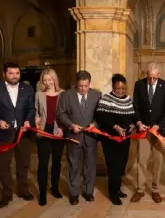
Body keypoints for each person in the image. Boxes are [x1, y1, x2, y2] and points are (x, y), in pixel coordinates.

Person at [0, 62, 36, 208]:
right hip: (3, 134)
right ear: (4, 74)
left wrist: (28, 121)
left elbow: (31, 108)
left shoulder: (28, 88)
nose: (14, 76)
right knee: (4, 165)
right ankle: (7, 194)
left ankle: (23, 190)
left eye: (17, 73)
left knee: (23, 164)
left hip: (23, 134)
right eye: (11, 73)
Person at [56, 70, 101, 205]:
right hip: (73, 135)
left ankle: (88, 192)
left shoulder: (97, 95)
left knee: (90, 165)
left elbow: (101, 114)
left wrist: (94, 124)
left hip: (90, 136)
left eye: (86, 86)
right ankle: (74, 193)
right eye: (81, 86)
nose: (83, 89)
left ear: (89, 84)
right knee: (73, 165)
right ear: (76, 84)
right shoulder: (66, 95)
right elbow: (61, 114)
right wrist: (71, 125)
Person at [131, 62, 165, 203]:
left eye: (154, 77)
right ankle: (140, 190)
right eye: (149, 77)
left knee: (157, 161)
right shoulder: (139, 85)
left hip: (159, 132)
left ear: (159, 75)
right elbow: (135, 107)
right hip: (143, 131)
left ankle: (155, 190)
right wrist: (138, 122)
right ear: (146, 75)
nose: (152, 80)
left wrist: (159, 125)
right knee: (141, 160)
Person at [96, 74, 136, 205]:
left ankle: (117, 189)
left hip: (124, 139)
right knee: (113, 166)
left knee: (121, 165)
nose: (121, 91)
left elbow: (133, 116)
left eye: (123, 88)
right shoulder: (105, 99)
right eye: (118, 88)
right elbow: (101, 117)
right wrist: (116, 127)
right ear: (113, 87)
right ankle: (113, 194)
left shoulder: (128, 100)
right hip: (110, 139)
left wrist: (132, 125)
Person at [34, 69, 65, 206]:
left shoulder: (63, 94)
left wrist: (62, 128)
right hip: (44, 131)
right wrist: (36, 119)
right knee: (43, 163)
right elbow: (37, 112)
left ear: (55, 79)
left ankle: (55, 188)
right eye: (44, 80)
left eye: (50, 79)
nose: (47, 82)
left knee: (57, 162)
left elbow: (66, 113)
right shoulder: (39, 95)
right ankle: (42, 193)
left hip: (58, 131)